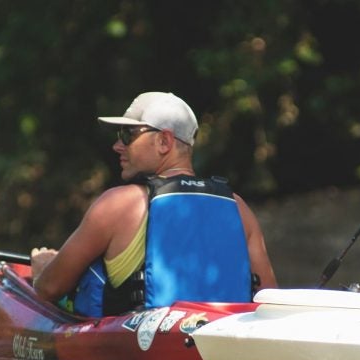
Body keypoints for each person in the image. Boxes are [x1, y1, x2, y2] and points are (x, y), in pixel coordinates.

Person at [31, 91, 277, 317]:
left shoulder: (118, 204)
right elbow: (269, 303)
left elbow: (49, 288)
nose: (117, 146)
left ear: (164, 141)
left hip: (142, 352)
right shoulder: (238, 207)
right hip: (219, 349)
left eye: (128, 135)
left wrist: (42, 269)